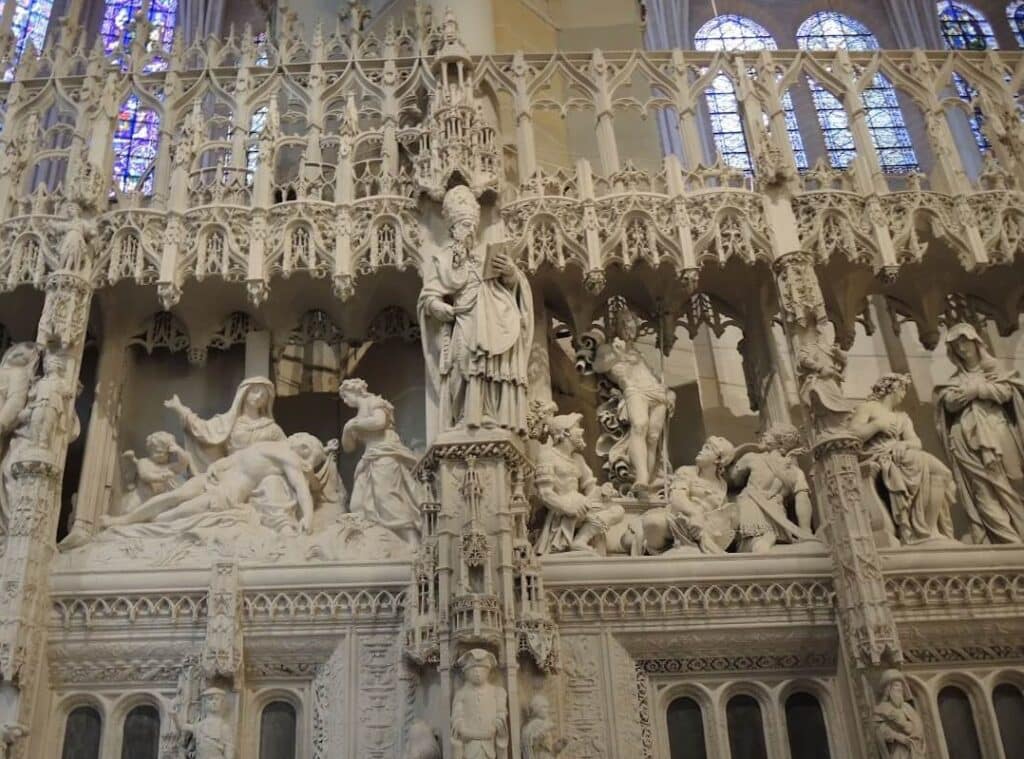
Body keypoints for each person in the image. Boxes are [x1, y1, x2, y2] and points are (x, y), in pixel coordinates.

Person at [418, 185, 534, 435]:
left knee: (490, 365)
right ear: (452, 228)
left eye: (472, 224)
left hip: (494, 318)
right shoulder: (444, 258)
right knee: (462, 363)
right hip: (463, 317)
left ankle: (488, 413)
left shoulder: (488, 251)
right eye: (463, 225)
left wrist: (510, 272)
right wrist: (438, 307)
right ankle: (462, 416)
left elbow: (516, 286)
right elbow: (429, 296)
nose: (469, 230)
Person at [101, 433, 323, 534]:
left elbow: (300, 487)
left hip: (225, 495)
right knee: (172, 497)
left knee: (170, 516)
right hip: (211, 480)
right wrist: (218, 465)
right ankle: (123, 521)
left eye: (306, 445)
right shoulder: (268, 445)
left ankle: (141, 527)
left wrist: (309, 518)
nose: (298, 441)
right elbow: (237, 458)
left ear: (305, 450)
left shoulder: (288, 458)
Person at [935, 323, 1024, 543]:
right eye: (956, 345)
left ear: (977, 342)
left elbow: (1007, 391)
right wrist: (951, 399)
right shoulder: (954, 380)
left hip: (998, 432)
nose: (962, 348)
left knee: (1012, 482)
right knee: (982, 491)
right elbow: (946, 402)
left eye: (965, 342)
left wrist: (977, 390)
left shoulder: (994, 370)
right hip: (965, 439)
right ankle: (1009, 544)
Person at [852, 374, 956, 545]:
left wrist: (905, 444)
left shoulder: (902, 417)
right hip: (880, 455)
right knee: (929, 466)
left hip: (901, 454)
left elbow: (916, 441)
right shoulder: (868, 408)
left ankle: (929, 531)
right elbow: (853, 434)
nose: (903, 395)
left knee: (941, 473)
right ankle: (924, 533)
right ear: (892, 388)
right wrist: (877, 425)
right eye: (902, 390)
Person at [593, 304, 674, 495]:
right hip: (633, 389)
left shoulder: (638, 353)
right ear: (616, 327)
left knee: (653, 437)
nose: (629, 327)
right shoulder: (608, 348)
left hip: (655, 392)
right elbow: (598, 366)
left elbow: (652, 376)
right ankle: (641, 478)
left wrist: (669, 392)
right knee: (639, 425)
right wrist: (616, 354)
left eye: (632, 324)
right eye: (625, 323)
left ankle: (651, 481)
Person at [529, 402, 625, 554]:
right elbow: (545, 493)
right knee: (583, 505)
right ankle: (574, 540)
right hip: (563, 509)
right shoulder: (547, 455)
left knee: (617, 511)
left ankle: (580, 540)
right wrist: (567, 507)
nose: (581, 431)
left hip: (583, 505)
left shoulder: (578, 459)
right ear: (565, 432)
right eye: (576, 428)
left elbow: (591, 487)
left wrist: (602, 490)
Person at [339, 378, 420, 544]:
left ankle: (412, 541)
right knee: (357, 504)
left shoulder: (375, 402)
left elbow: (379, 422)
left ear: (355, 391)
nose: (345, 402)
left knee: (386, 498)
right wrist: (348, 428)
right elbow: (348, 447)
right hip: (368, 459)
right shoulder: (355, 419)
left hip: (385, 454)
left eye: (346, 397)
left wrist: (354, 424)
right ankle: (371, 541)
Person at [639, 436, 736, 555]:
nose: (701, 450)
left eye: (707, 448)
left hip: (703, 531)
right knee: (653, 522)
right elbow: (677, 497)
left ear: (718, 459)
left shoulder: (722, 485)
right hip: (677, 521)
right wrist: (695, 514)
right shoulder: (686, 472)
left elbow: (721, 515)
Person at [164, 376, 285, 469]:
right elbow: (203, 430)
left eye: (263, 395)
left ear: (267, 401)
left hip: (260, 476)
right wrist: (180, 408)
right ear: (245, 393)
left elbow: (288, 450)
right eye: (255, 391)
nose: (258, 396)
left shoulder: (271, 428)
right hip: (232, 471)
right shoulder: (229, 422)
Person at [730, 424, 814, 553]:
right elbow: (802, 500)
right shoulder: (796, 472)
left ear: (779, 442)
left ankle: (766, 540)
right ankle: (768, 539)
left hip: (755, 507)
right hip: (775, 514)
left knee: (750, 544)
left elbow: (734, 480)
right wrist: (805, 531)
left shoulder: (752, 457)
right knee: (765, 543)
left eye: (768, 434)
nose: (763, 435)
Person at [119, 431, 195, 514]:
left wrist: (177, 449)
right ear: (150, 450)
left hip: (157, 501)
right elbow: (145, 475)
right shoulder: (144, 462)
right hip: (142, 497)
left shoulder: (169, 466)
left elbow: (184, 463)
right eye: (158, 452)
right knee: (129, 511)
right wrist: (162, 477)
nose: (161, 455)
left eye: (165, 452)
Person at [451, 648, 508, 759]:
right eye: (473, 669)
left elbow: (501, 715)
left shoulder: (498, 692)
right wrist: (464, 730)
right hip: (469, 747)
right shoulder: (461, 694)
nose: (477, 673)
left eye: (482, 670)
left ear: (488, 672)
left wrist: (495, 727)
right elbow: (456, 718)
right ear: (466, 672)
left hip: (489, 747)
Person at [873, 670, 926, 759]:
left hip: (914, 749)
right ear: (888, 689)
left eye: (901, 686)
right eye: (896, 685)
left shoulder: (908, 708)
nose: (900, 689)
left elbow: (918, 727)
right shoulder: (881, 708)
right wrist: (897, 736)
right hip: (897, 750)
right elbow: (878, 730)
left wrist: (906, 726)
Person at [174, 687, 235, 759]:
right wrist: (174, 715)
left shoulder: (224, 727)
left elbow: (229, 751)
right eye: (210, 699)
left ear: (222, 702)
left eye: (217, 699)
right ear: (205, 702)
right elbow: (182, 726)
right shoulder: (199, 726)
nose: (214, 702)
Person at [521, 694, 566, 759]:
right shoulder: (533, 725)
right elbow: (530, 743)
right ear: (536, 708)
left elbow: (549, 748)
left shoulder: (545, 723)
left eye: (547, 707)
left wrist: (557, 748)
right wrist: (544, 731)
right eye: (544, 707)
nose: (547, 710)